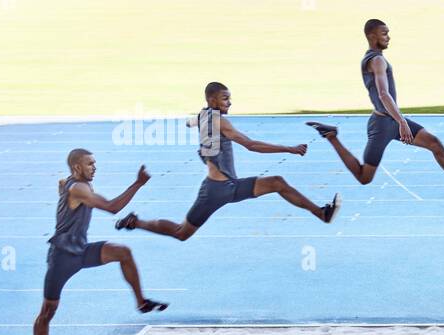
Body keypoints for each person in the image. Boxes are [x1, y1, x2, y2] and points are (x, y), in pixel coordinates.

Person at [115, 82, 340, 240]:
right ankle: (137, 222)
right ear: (212, 99)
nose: (230, 103)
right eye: (225, 98)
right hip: (215, 190)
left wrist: (197, 123)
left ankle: (321, 213)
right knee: (181, 233)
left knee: (277, 182)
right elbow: (251, 145)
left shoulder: (204, 115)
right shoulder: (222, 123)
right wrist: (289, 149)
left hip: (230, 185)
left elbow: (189, 122)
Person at [305, 19, 444, 197]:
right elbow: (384, 94)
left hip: (391, 119)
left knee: (434, 144)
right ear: (371, 36)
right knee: (364, 177)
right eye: (384, 33)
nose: (388, 37)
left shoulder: (376, 59)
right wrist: (401, 121)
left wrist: (399, 120)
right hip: (383, 125)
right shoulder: (376, 61)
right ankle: (331, 136)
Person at [36, 149, 168, 335]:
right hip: (62, 258)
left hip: (82, 251)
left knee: (123, 252)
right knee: (47, 312)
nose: (95, 167)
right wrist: (138, 183)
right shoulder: (78, 189)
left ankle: (141, 302)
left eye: (95, 163)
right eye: (90, 164)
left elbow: (66, 187)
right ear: (77, 167)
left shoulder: (77, 185)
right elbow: (112, 207)